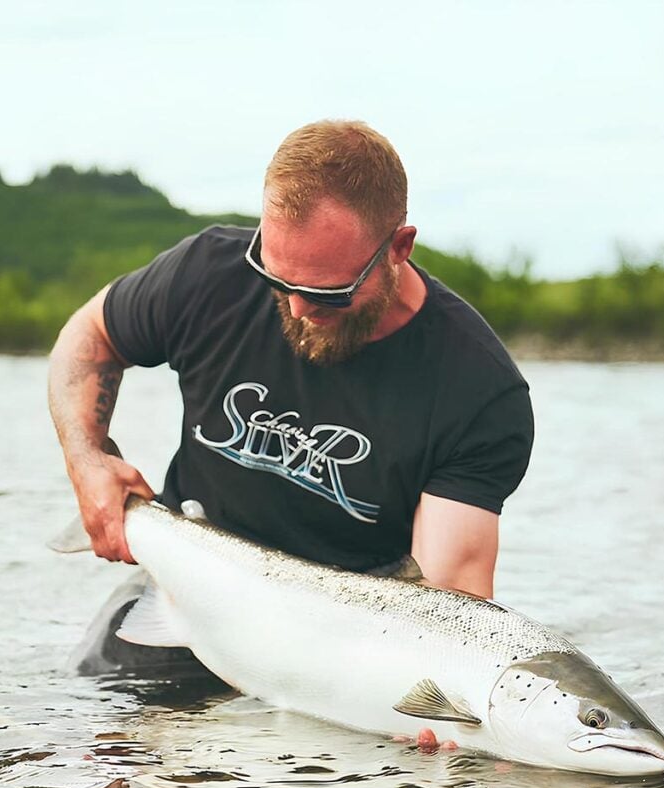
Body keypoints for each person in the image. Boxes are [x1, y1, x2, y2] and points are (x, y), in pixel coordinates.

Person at [49, 119, 534, 683]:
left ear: (399, 247)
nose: (298, 309)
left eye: (329, 291)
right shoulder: (209, 275)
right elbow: (89, 336)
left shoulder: (478, 390)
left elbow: (449, 600)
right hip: (190, 589)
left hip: (348, 638)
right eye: (278, 279)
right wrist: (87, 461)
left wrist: (442, 700)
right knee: (90, 743)